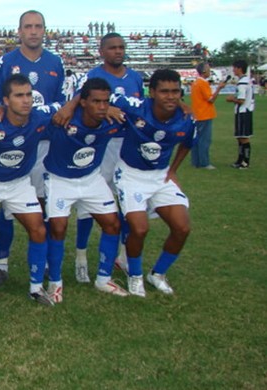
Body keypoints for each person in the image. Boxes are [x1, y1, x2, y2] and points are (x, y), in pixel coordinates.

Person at [0, 74, 61, 313]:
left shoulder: (40, 116)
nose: (27, 100)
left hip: (19, 183)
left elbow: (70, 103)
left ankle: (36, 287)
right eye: (19, 96)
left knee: (38, 229)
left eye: (29, 94)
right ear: (6, 100)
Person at [55, 32, 144, 283]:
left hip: (129, 144)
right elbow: (74, 102)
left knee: (128, 204)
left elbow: (144, 108)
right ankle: (81, 257)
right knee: (89, 204)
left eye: (121, 47)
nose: (118, 51)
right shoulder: (91, 76)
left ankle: (124, 256)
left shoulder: (135, 77)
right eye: (113, 48)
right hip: (101, 144)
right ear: (101, 51)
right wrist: (107, 109)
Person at [0, 10, 66, 287]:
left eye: (38, 26)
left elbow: (63, 105)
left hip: (43, 146)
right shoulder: (6, 61)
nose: (33, 31)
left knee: (41, 205)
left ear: (45, 30)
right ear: (19, 31)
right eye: (28, 26)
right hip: (10, 146)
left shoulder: (56, 62)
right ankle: (2, 265)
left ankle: (40, 263)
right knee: (6, 207)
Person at [111, 69, 195, 297]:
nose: (170, 97)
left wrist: (173, 169)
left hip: (160, 176)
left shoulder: (186, 119)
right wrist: (109, 107)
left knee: (182, 227)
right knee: (139, 228)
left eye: (175, 91)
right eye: (164, 92)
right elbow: (101, 93)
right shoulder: (136, 107)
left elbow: (187, 143)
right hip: (131, 175)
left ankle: (157, 274)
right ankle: (135, 275)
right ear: (152, 93)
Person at [43, 78, 128, 302]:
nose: (101, 107)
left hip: (91, 179)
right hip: (60, 179)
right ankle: (55, 282)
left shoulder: (112, 120)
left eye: (105, 102)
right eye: (96, 101)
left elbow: (145, 111)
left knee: (112, 224)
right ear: (83, 101)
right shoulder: (64, 119)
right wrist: (70, 104)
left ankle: (103, 278)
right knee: (58, 228)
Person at [190, 62, 226, 170]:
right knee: (204, 140)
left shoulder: (195, 83)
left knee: (197, 139)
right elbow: (210, 99)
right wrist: (219, 88)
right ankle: (204, 163)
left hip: (197, 114)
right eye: (208, 69)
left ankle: (196, 161)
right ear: (204, 71)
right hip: (204, 114)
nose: (210, 71)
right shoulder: (202, 83)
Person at [226, 59, 254, 169]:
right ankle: (240, 159)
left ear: (239, 68)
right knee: (239, 137)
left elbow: (241, 100)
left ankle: (245, 162)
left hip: (243, 112)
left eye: (234, 68)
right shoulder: (246, 80)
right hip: (244, 111)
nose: (233, 70)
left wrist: (231, 99)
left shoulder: (243, 83)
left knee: (244, 137)